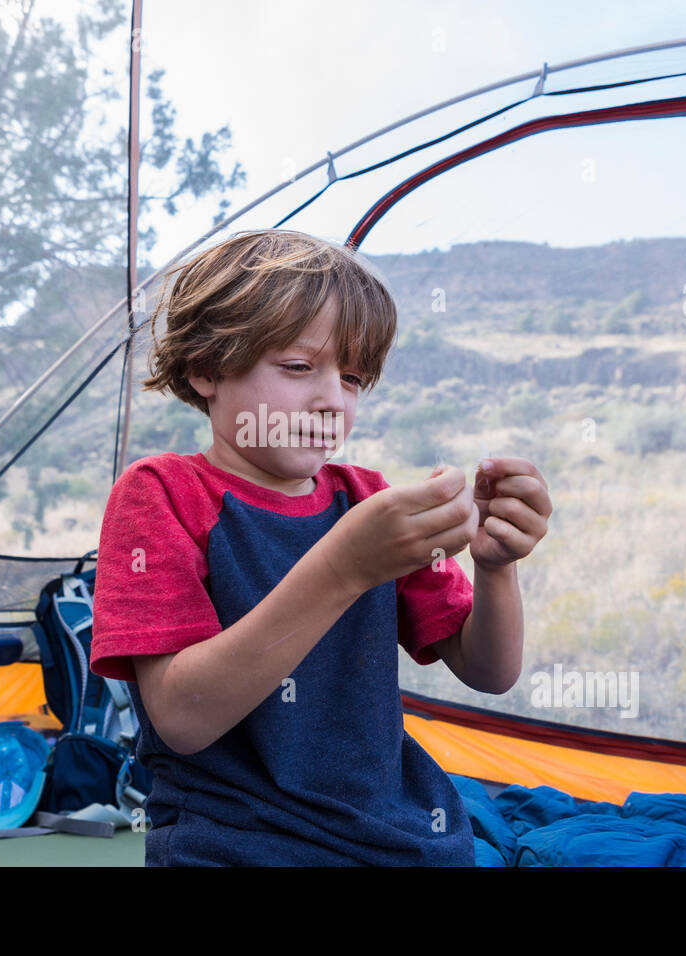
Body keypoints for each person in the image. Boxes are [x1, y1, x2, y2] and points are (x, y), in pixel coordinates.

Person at [89, 229, 551, 865]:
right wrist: (345, 568)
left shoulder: (367, 501)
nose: (332, 399)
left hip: (396, 836)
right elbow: (183, 719)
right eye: (299, 367)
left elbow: (490, 672)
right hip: (233, 842)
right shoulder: (162, 495)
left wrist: (496, 568)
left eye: (354, 377)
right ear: (206, 368)